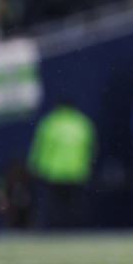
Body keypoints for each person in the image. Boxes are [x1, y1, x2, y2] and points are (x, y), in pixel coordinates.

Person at [27, 98, 97, 229]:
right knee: (75, 207)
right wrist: (87, 167)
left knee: (55, 207)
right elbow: (90, 149)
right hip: (77, 172)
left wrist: (35, 167)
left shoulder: (50, 123)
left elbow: (41, 148)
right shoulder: (82, 123)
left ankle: (57, 233)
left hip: (54, 172)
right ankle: (74, 232)